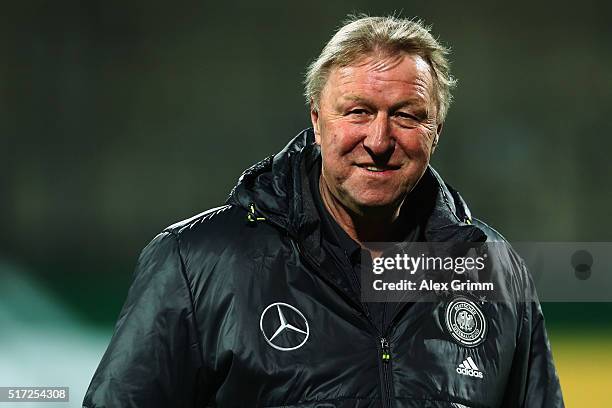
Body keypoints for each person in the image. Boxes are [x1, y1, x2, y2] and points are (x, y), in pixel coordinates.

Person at [83, 15, 564, 407]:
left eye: (406, 115)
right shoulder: (197, 262)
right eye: (357, 111)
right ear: (317, 121)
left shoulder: (495, 273)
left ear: (436, 129)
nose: (378, 141)